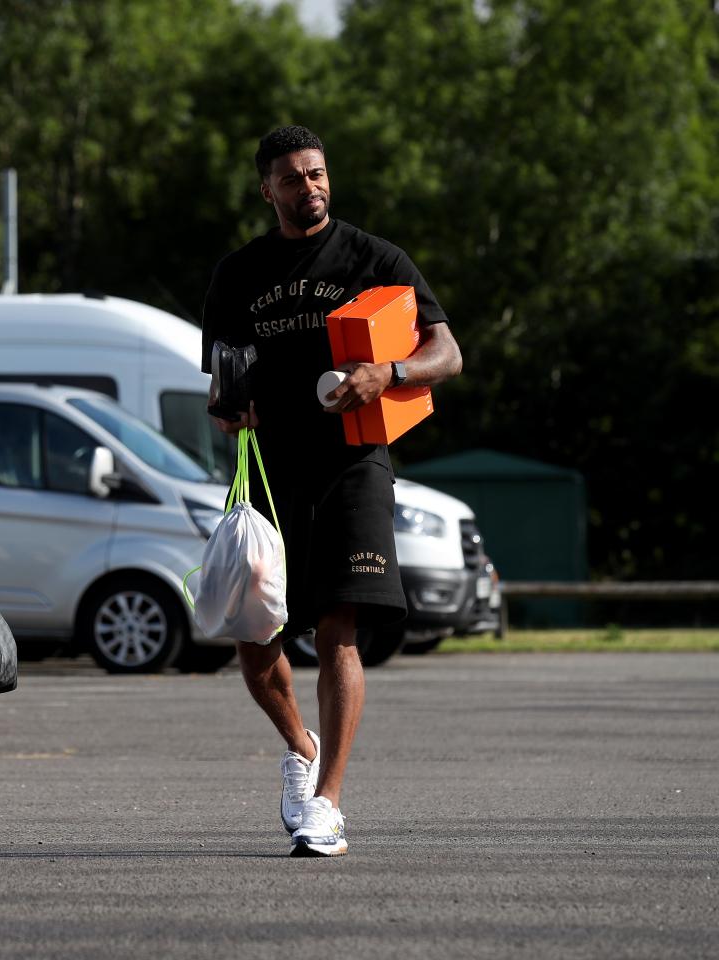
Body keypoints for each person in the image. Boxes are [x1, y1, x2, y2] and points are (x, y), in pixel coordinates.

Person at [202, 125, 462, 857]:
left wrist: (394, 373)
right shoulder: (238, 274)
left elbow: (447, 353)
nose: (308, 187)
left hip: (353, 463)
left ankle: (328, 804)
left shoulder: (374, 259)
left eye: (316, 174)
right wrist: (230, 409)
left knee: (339, 631)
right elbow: (219, 382)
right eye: (291, 178)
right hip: (268, 473)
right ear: (267, 189)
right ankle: (299, 744)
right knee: (256, 642)